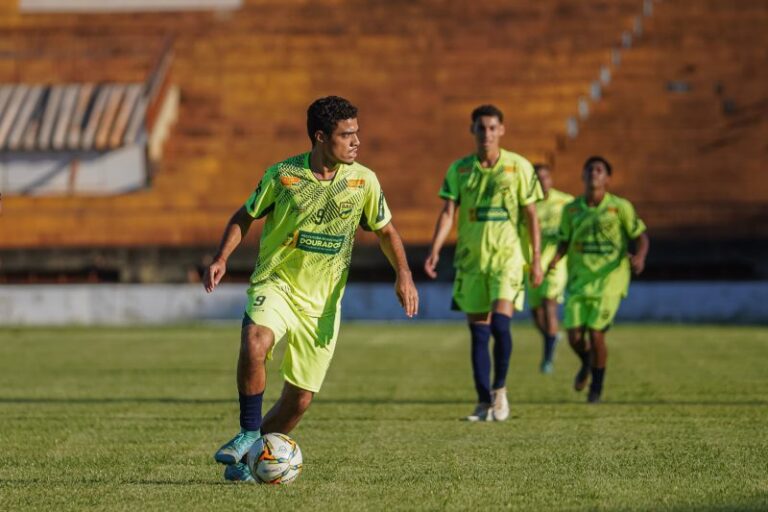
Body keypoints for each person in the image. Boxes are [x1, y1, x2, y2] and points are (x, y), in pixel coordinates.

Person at [204, 96, 419, 482]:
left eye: (357, 133)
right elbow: (244, 215)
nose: (356, 141)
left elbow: (386, 230)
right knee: (255, 341)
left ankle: (251, 462)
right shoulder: (283, 175)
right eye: (346, 135)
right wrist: (222, 257)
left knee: (299, 400)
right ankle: (249, 432)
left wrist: (402, 272)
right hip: (277, 284)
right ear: (321, 137)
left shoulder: (363, 180)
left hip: (322, 306)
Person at [424, 104, 543, 422]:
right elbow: (448, 212)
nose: (486, 133)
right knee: (478, 333)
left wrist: (536, 260)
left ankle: (500, 392)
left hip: (507, 259)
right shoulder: (460, 169)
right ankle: (482, 402)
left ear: (502, 130)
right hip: (472, 260)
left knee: (501, 325)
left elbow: (531, 215)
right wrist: (436, 249)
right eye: (481, 128)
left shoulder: (519, 167)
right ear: (472, 131)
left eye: (492, 128)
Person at [547, 156, 649, 403]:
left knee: (595, 334)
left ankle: (596, 388)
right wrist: (555, 259)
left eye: (600, 170)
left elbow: (641, 235)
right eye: (590, 169)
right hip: (579, 280)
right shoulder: (571, 210)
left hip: (609, 281)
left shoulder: (619, 207)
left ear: (607, 178)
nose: (594, 173)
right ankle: (586, 364)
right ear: (582, 176)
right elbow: (564, 240)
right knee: (574, 338)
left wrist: (640, 257)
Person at [524, 164, 574, 374]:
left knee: (549, 305)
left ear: (551, 179)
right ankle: (552, 337)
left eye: (546, 177)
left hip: (555, 263)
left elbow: (573, 230)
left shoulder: (566, 202)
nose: (543, 181)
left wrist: (559, 255)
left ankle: (547, 359)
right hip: (531, 263)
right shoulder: (527, 203)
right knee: (536, 313)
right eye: (538, 178)